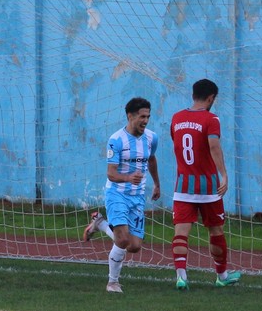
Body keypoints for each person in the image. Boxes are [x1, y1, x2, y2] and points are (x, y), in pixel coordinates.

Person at [83, 97, 161, 293]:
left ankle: (100, 223)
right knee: (123, 239)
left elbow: (151, 160)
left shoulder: (152, 138)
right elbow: (110, 173)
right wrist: (128, 178)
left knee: (134, 246)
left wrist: (157, 185)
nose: (145, 120)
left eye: (148, 117)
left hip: (137, 197)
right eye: (142, 116)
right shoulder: (116, 140)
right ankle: (112, 282)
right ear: (130, 116)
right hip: (117, 194)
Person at [169, 79, 240, 290]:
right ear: (211, 98)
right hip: (209, 187)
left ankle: (181, 277)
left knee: (180, 232)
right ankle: (222, 276)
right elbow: (214, 146)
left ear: (194, 95)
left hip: (183, 186)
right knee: (216, 231)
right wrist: (224, 175)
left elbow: (178, 145)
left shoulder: (176, 118)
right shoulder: (211, 118)